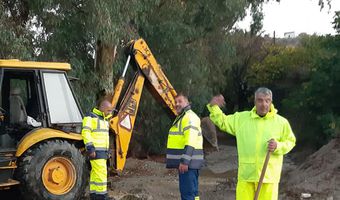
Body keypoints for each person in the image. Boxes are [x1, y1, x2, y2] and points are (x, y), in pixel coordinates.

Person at [207, 87, 296, 200]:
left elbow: (290, 141)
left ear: (271, 102)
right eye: (260, 100)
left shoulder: (281, 122)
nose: (263, 104)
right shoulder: (242, 119)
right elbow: (223, 122)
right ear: (255, 101)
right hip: (246, 176)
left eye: (267, 100)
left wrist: (278, 146)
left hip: (268, 177)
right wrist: (214, 107)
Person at [166, 93, 204, 200]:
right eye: (175, 102)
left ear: (187, 103)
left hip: (188, 164)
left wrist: (184, 161)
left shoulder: (189, 117)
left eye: (180, 101)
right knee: (193, 194)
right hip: (191, 164)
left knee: (187, 195)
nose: (176, 104)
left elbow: (190, 140)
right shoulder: (185, 117)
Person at [82, 96, 113, 200]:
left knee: (96, 173)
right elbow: (86, 132)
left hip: (102, 151)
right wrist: (90, 148)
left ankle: (94, 195)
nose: (110, 112)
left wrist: (108, 151)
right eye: (108, 110)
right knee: (101, 173)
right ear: (102, 108)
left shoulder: (104, 120)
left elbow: (104, 137)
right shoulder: (91, 117)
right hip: (96, 151)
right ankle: (102, 196)